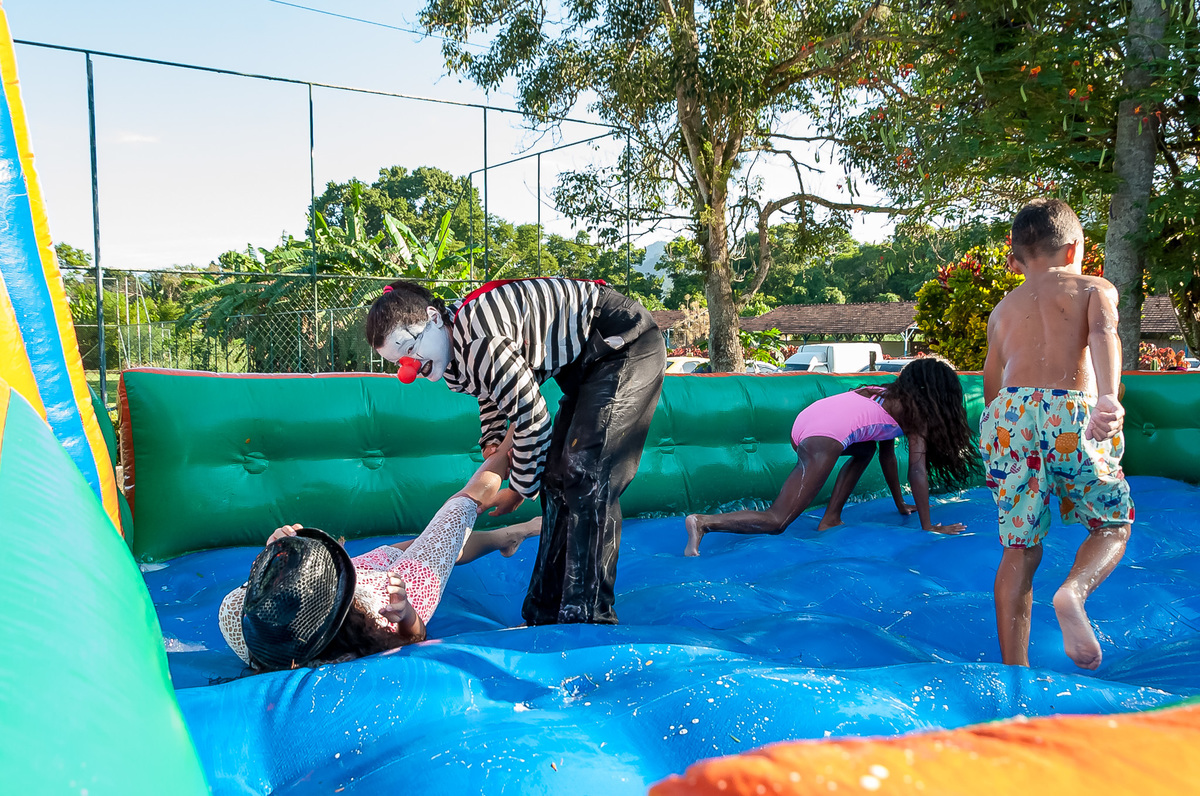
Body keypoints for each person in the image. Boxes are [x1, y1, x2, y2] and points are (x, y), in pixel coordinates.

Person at [365, 278, 665, 626]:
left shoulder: (479, 341)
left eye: (411, 348)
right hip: (585, 363)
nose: (410, 367)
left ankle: (588, 617)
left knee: (587, 473)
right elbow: (491, 390)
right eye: (398, 360)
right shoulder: (452, 360)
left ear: (434, 318)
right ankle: (546, 610)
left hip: (622, 341)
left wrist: (519, 490)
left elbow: (534, 418)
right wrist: (492, 439)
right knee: (554, 479)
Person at [218, 430, 541, 670]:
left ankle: (505, 537)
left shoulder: (238, 615)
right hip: (394, 589)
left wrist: (283, 553)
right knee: (459, 513)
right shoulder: (375, 617)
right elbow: (413, 637)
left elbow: (272, 589)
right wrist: (408, 616)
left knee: (411, 545)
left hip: (330, 582)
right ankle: (515, 511)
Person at [981, 198, 1133, 671]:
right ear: (1072, 251)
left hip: (1008, 418)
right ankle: (1072, 591)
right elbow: (1104, 332)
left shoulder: (1001, 311)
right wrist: (1108, 397)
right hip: (1071, 411)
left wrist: (1004, 439)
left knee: (1019, 548)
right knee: (1112, 522)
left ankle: (1015, 674)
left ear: (1014, 262)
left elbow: (991, 387)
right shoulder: (1091, 287)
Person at [684, 357, 977, 556]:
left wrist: (901, 504)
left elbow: (886, 452)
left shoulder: (886, 394)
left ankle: (831, 518)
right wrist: (928, 527)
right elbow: (917, 470)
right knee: (777, 520)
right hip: (823, 437)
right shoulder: (917, 415)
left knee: (865, 449)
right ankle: (704, 523)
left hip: (806, 421)